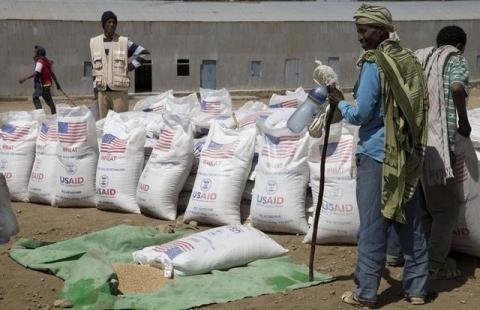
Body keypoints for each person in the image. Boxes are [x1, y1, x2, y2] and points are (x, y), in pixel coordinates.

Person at [327, 4, 430, 307]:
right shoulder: (407, 59)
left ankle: (366, 292)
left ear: (382, 29)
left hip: (377, 156)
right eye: (358, 30)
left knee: (373, 225)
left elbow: (361, 114)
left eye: (365, 30)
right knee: (409, 222)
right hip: (405, 156)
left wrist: (340, 102)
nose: (360, 36)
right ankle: (417, 289)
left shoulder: (375, 63)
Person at [388, 26, 471, 279]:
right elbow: (457, 88)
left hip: (416, 140)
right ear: (460, 45)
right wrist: (463, 121)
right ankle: (434, 263)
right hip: (439, 144)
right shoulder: (455, 59)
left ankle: (408, 256)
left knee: (422, 207)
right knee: (445, 210)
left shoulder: (422, 59)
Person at [90, 11, 151, 118]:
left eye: (114, 22)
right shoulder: (94, 43)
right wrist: (95, 92)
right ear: (103, 24)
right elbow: (95, 70)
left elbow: (144, 53)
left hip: (119, 93)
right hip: (102, 93)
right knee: (103, 124)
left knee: (120, 124)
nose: (112, 24)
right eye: (109, 22)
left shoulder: (123, 42)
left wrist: (130, 67)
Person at [19, 45, 61, 114]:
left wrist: (25, 79)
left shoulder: (40, 61)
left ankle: (40, 114)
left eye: (35, 52)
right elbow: (52, 74)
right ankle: (54, 115)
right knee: (49, 101)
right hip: (48, 83)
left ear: (39, 53)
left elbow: (36, 73)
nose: (34, 54)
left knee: (35, 97)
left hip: (42, 84)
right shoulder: (46, 61)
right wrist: (57, 84)